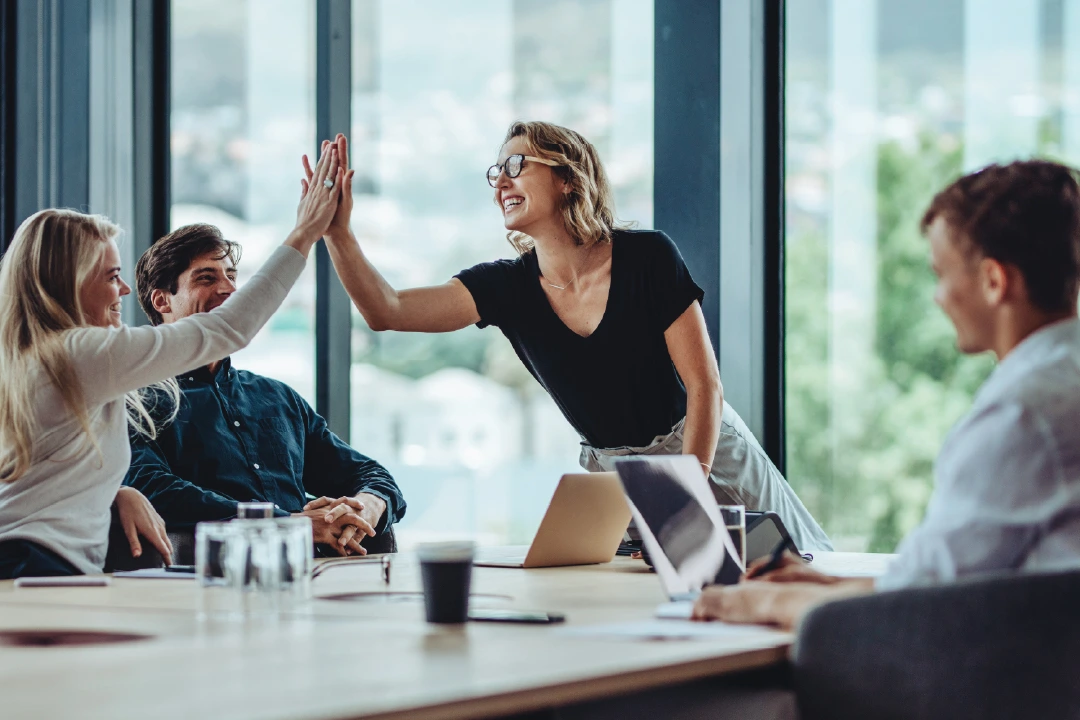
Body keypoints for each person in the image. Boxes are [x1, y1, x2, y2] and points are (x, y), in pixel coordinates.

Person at [311, 123, 832, 552]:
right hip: (616, 477)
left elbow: (705, 387)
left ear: (566, 178)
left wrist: (683, 491)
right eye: (496, 173)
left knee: (800, 571)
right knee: (649, 606)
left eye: (517, 165)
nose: (500, 183)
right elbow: (387, 310)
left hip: (705, 448)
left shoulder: (648, 257)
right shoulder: (505, 286)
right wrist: (339, 233)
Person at [693, 159, 1080, 629]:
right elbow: (947, 576)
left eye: (942, 274)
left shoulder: (1023, 413)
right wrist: (829, 585)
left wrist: (755, 603)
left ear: (994, 281)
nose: (937, 297)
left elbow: (918, 607)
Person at [0, 143, 343, 579]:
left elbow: (46, 476)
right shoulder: (78, 354)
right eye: (110, 276)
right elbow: (228, 329)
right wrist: (304, 234)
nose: (123, 291)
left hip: (26, 563)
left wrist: (117, 493)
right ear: (68, 283)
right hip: (37, 565)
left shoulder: (31, 358)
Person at [124, 222, 405, 556]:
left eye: (231, 275)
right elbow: (152, 488)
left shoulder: (277, 397)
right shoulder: (136, 401)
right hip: (212, 580)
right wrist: (287, 523)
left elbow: (369, 473)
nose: (229, 289)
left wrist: (366, 507)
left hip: (317, 578)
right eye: (206, 277)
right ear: (162, 301)